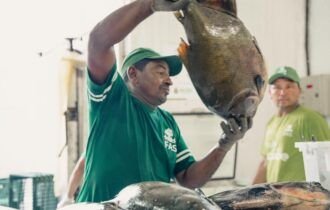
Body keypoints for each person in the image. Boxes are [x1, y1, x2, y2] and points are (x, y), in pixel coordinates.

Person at [57, 0, 252, 207]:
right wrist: (149, 5)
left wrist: (224, 145)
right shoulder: (112, 100)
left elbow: (187, 179)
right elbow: (98, 42)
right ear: (133, 74)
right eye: (160, 72)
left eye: (169, 74)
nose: (169, 80)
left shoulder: (167, 122)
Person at [253, 66, 330, 184]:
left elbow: (327, 160)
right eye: (277, 88)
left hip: (301, 198)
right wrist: (249, 193)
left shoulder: (310, 119)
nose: (283, 92)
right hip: (276, 197)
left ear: (299, 90)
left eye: (289, 86)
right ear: (269, 93)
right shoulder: (271, 122)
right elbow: (265, 162)